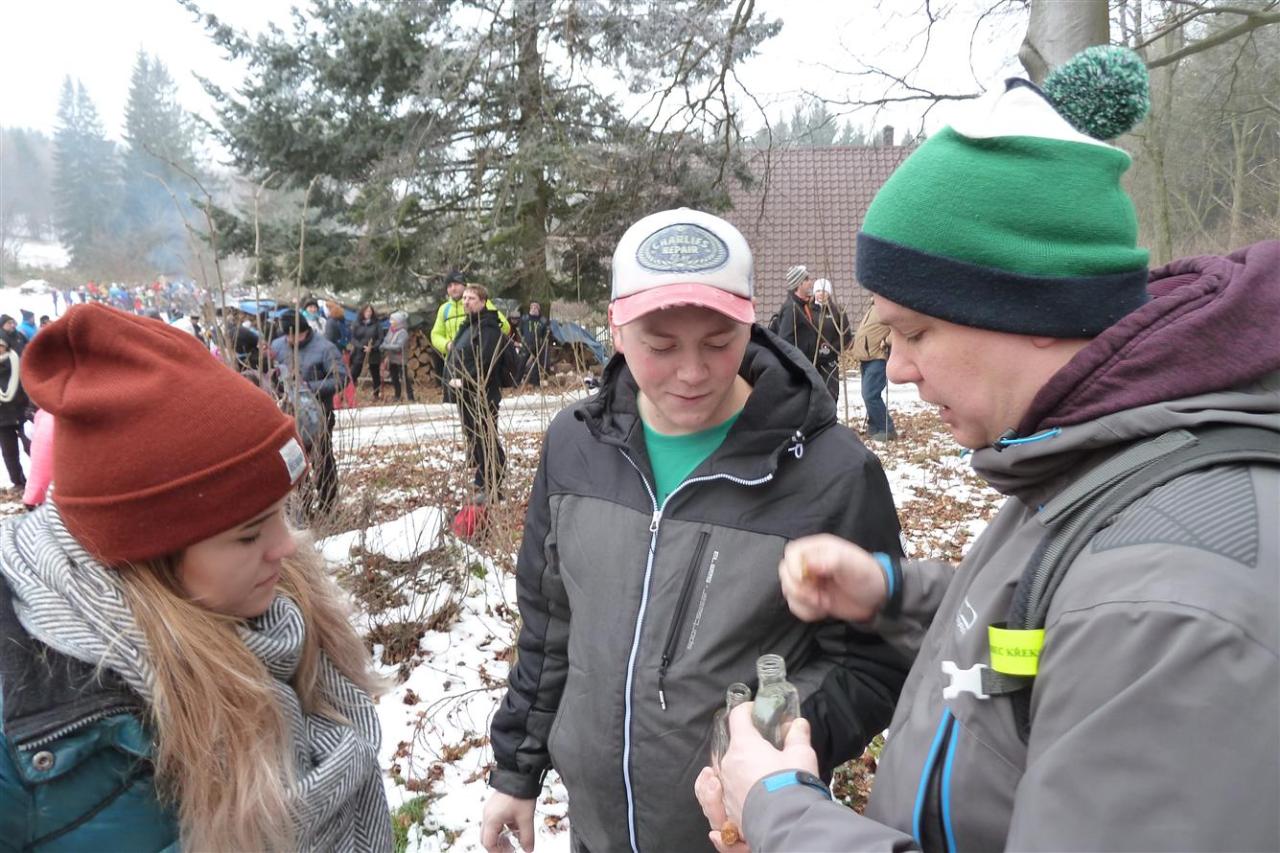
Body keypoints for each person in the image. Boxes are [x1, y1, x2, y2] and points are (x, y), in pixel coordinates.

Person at [697, 48, 1280, 852]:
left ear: (1033, 309)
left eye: (914, 331)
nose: (898, 367)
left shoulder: (1171, 604)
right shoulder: (1090, 465)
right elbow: (1050, 629)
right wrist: (895, 594)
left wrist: (780, 810)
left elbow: (1107, 618)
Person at [481, 208, 908, 853]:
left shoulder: (831, 473)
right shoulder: (575, 445)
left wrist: (769, 754)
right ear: (615, 327)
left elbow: (872, 664)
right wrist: (517, 768)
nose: (691, 372)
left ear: (750, 323)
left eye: (718, 342)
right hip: (596, 831)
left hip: (740, 834)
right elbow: (548, 627)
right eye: (659, 346)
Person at [0, 303, 391, 850]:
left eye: (282, 513)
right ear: (148, 558)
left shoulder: (292, 623)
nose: (287, 547)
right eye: (249, 534)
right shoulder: (26, 736)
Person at [267, 310, 349, 518]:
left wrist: (309, 387)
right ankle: (303, 507)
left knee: (323, 460)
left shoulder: (325, 348)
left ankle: (328, 507)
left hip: (319, 414)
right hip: (288, 417)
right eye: (287, 336)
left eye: (295, 336)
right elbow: (271, 373)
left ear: (304, 331)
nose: (291, 340)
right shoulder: (277, 346)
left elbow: (341, 379)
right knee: (295, 461)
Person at [446, 284, 506, 500]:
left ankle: (494, 482)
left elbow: (486, 361)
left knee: (486, 436)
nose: (466, 302)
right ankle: (483, 477)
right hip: (465, 393)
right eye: (464, 298)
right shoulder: (468, 325)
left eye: (471, 298)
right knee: (474, 436)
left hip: (482, 393)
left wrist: (465, 380)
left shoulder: (488, 328)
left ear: (483, 301)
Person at [852, 302, 895, 440]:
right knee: (868, 394)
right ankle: (875, 426)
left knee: (870, 395)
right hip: (866, 358)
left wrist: (887, 341)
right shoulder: (874, 306)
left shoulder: (887, 307)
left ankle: (887, 429)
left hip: (877, 358)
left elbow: (898, 329)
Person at [772, 264, 822, 371]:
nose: (810, 282)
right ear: (799, 283)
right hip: (798, 367)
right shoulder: (791, 308)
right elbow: (785, 340)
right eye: (807, 280)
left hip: (808, 364)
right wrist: (796, 364)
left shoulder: (804, 305)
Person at [811, 279, 852, 403]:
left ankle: (830, 414)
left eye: (824, 291)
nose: (821, 294)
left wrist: (832, 349)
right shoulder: (808, 310)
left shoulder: (837, 311)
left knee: (831, 393)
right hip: (811, 359)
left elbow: (846, 335)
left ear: (829, 293)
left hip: (830, 360)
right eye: (818, 291)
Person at [0, 338, 28, 493]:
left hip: (21, 412)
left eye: (1, 345)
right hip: (2, 417)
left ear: (6, 346)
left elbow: (27, 384)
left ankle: (44, 479)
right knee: (9, 453)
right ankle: (18, 482)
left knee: (31, 447)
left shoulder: (17, 360)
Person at [350, 304, 385, 400]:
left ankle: (376, 394)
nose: (368, 313)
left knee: (375, 374)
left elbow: (380, 338)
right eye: (366, 311)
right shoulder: (357, 323)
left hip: (373, 353)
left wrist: (372, 347)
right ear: (362, 312)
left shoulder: (377, 324)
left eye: (370, 311)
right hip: (359, 352)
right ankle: (349, 394)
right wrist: (361, 346)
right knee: (354, 373)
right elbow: (353, 338)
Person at [380, 311, 414, 403]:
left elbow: (398, 347)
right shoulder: (391, 330)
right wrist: (385, 345)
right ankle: (397, 395)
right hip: (391, 359)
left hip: (400, 360)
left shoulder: (403, 332)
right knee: (394, 378)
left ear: (398, 321)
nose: (391, 322)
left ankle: (411, 397)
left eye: (393, 320)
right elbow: (386, 340)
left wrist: (385, 346)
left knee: (404, 379)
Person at [519, 300, 553, 385]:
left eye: (536, 307)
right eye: (532, 307)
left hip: (538, 345)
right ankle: (516, 382)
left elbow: (546, 334)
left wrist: (543, 342)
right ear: (530, 308)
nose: (534, 309)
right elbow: (520, 330)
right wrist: (522, 339)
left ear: (539, 309)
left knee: (536, 365)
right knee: (521, 363)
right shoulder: (524, 319)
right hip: (526, 344)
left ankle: (535, 383)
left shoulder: (543, 321)